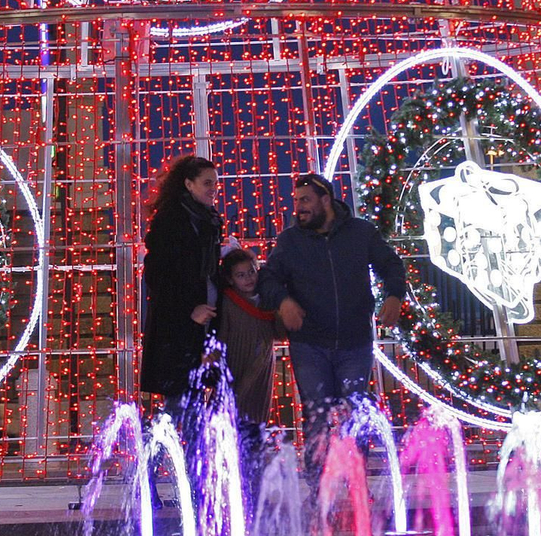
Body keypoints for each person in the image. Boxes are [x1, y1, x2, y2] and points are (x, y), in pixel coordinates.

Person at [257, 174, 406, 473]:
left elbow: (391, 264)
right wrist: (284, 301)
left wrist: (394, 296)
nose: (299, 207)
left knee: (356, 411)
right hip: (309, 343)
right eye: (297, 201)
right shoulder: (290, 241)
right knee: (317, 414)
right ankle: (317, 489)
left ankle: (357, 483)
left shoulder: (360, 232)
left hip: (354, 342)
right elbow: (268, 278)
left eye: (306, 200)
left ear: (326, 200)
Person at [141, 155, 223, 406]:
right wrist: (189, 310)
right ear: (189, 184)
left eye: (216, 183)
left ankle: (171, 443)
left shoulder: (207, 220)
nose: (214, 189)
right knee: (183, 401)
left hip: (203, 320)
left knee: (192, 400)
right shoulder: (172, 221)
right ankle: (162, 443)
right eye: (208, 183)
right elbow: (157, 275)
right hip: (180, 326)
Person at [216, 247, 285, 497]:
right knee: (236, 423)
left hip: (261, 371)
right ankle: (237, 483)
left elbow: (279, 332)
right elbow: (221, 337)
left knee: (256, 425)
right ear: (231, 279)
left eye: (252, 272)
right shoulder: (228, 302)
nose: (248, 279)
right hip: (236, 367)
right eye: (241, 275)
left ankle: (254, 485)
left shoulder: (266, 300)